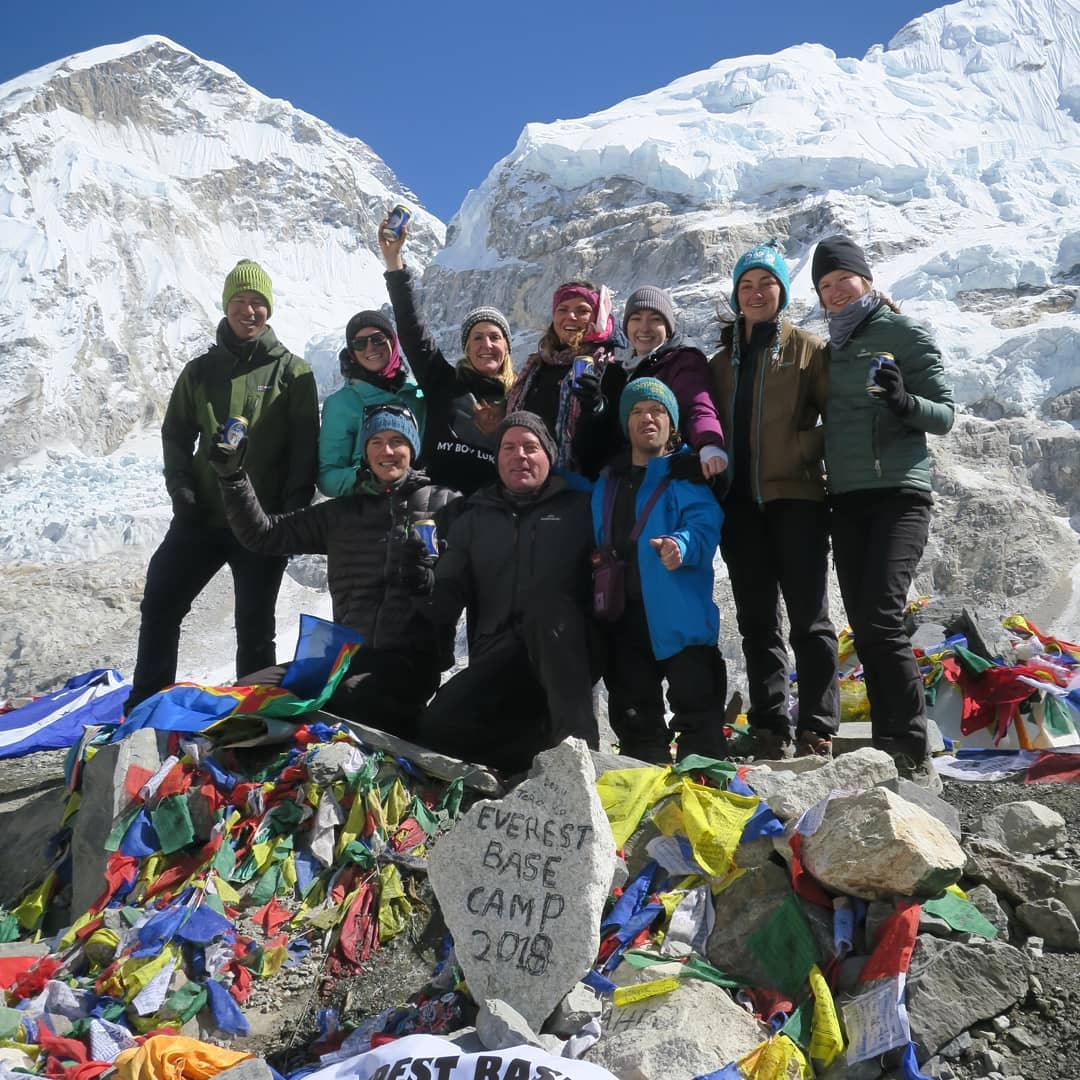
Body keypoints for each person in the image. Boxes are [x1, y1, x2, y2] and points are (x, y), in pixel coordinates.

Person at [126, 260, 319, 713]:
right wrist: (182, 490)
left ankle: (254, 715)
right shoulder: (199, 371)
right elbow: (175, 433)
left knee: (254, 626)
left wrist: (291, 520)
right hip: (202, 517)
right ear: (226, 307)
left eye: (257, 303)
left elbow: (303, 449)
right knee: (161, 602)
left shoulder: (293, 373)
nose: (249, 311)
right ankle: (146, 706)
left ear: (268, 310)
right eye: (240, 302)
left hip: (262, 522)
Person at [212, 405, 459, 738]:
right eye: (376, 441)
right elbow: (265, 534)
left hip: (410, 663)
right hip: (346, 659)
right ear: (365, 451)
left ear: (412, 449)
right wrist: (233, 478)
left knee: (343, 700)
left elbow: (469, 580)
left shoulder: (448, 505)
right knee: (247, 693)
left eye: (397, 440)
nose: (387, 451)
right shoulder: (342, 513)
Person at [812, 234, 955, 788]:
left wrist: (901, 402)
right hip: (845, 501)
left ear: (865, 280)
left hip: (900, 494)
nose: (835, 292)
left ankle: (908, 745)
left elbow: (943, 416)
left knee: (882, 617)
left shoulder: (905, 332)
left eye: (842, 279)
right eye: (825, 286)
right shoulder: (831, 349)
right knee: (866, 626)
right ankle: (886, 740)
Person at [710, 243, 839, 759]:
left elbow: (839, 418)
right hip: (740, 508)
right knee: (757, 621)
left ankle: (817, 725)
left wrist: (803, 449)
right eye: (747, 285)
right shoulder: (720, 364)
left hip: (799, 500)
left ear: (782, 292)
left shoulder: (808, 349)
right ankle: (769, 724)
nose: (756, 293)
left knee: (810, 619)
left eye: (767, 284)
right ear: (737, 296)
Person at [415, 412, 598, 774]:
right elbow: (450, 588)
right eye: (509, 448)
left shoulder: (581, 509)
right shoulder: (474, 517)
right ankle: (525, 756)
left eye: (531, 447)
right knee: (434, 727)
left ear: (549, 455)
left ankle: (579, 759)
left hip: (565, 659)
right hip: (497, 660)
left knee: (549, 611)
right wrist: (423, 587)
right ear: (497, 459)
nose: (520, 456)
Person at [591, 378, 727, 763]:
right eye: (636, 411)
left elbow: (704, 524)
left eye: (657, 410)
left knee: (699, 722)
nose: (646, 418)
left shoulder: (684, 473)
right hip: (623, 617)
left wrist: (679, 546)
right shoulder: (606, 482)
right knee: (637, 729)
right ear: (625, 423)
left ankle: (707, 796)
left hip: (679, 616)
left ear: (672, 424)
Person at [378, 215, 514, 494]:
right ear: (466, 348)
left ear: (506, 348)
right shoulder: (444, 382)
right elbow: (413, 331)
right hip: (432, 507)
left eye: (494, 337)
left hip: (491, 514)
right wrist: (394, 263)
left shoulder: (519, 396)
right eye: (477, 338)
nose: (486, 345)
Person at [576, 287, 728, 480]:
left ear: (668, 327)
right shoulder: (618, 369)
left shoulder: (681, 361)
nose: (644, 328)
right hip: (625, 478)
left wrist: (709, 445)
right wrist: (595, 407)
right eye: (636, 318)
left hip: (669, 473)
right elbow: (611, 431)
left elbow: (697, 406)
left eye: (655, 319)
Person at [505, 281, 627, 473]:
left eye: (582, 310)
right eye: (563, 309)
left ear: (598, 317)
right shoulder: (535, 367)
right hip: (529, 483)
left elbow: (615, 441)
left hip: (581, 488)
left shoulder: (612, 369)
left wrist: (596, 408)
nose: (571, 316)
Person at [318, 310, 426, 496]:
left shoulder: (417, 395)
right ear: (352, 353)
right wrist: (367, 478)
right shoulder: (340, 404)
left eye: (378, 339)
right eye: (360, 344)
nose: (370, 348)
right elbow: (327, 477)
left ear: (392, 341)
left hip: (420, 504)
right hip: (365, 512)